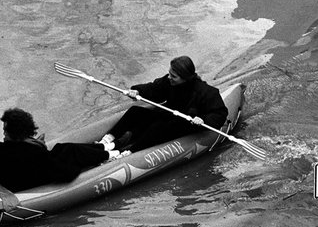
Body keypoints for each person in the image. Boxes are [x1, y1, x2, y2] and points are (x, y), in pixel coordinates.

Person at [97, 56, 228, 155]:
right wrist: (138, 91)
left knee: (157, 128)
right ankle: (107, 140)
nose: (169, 77)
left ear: (185, 78)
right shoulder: (169, 81)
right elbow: (154, 89)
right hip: (169, 114)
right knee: (135, 111)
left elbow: (220, 114)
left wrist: (203, 120)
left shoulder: (206, 92)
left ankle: (129, 153)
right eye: (170, 73)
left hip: (186, 125)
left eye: (174, 76)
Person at [0, 108, 125, 192]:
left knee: (63, 148)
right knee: (71, 152)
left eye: (5, 131)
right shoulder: (36, 153)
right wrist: (81, 167)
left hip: (22, 177)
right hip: (30, 183)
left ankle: (107, 147)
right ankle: (110, 152)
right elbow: (65, 174)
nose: (3, 134)